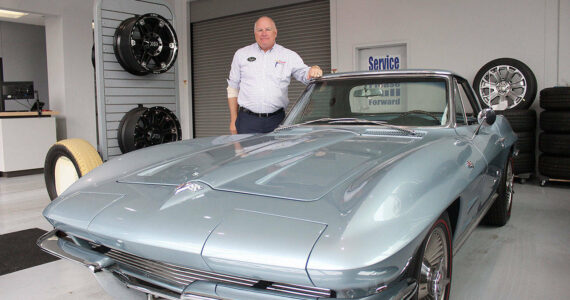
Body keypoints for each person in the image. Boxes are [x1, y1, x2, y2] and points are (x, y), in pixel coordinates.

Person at [226, 16, 323, 134]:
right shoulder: (241, 54)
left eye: (268, 29)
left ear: (275, 32)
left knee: (277, 153)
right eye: (260, 30)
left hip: (277, 121)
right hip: (247, 121)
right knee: (245, 153)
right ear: (254, 33)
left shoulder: (288, 55)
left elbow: (305, 75)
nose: (264, 33)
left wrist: (314, 69)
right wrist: (233, 120)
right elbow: (233, 87)